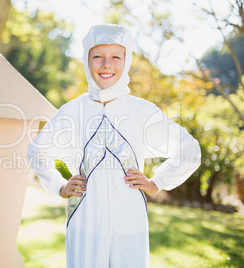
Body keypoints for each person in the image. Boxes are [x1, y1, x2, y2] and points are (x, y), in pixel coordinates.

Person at [27, 24, 201, 268]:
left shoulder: (142, 112)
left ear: (126, 60)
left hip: (130, 221)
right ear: (87, 60)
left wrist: (157, 183)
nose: (106, 64)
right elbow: (37, 151)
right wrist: (59, 186)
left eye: (115, 57)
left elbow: (189, 151)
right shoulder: (72, 111)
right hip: (84, 222)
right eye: (97, 56)